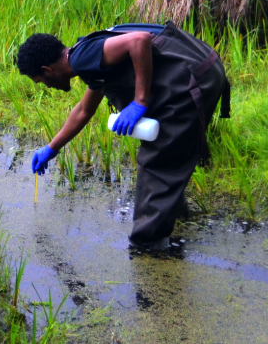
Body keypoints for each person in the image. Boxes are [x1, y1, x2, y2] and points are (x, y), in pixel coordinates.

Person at [16, 22, 230, 251]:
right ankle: (176, 219)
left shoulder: (81, 58)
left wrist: (140, 101)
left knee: (157, 162)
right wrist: (52, 148)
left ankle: (148, 245)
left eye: (41, 82)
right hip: (204, 70)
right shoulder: (86, 56)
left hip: (194, 80)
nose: (46, 87)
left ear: (48, 70)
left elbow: (138, 41)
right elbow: (83, 110)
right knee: (170, 155)